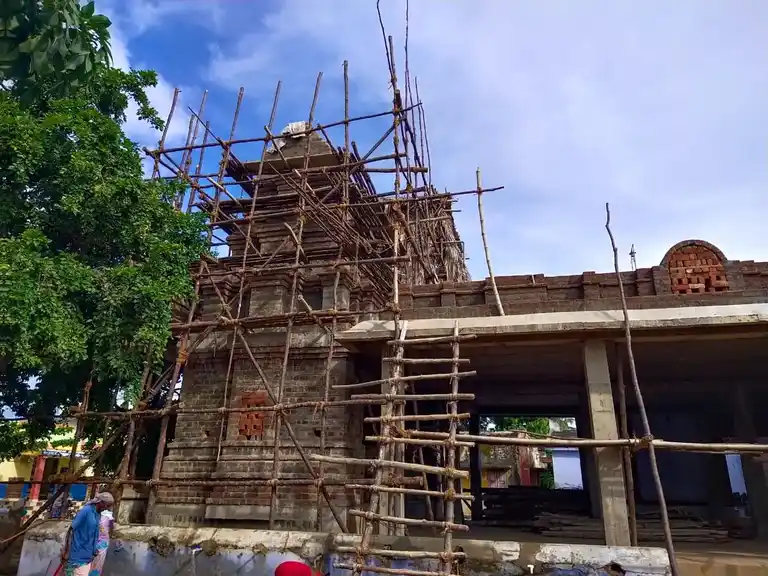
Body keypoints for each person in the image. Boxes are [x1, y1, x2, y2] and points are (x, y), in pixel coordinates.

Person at [60, 492, 114, 576]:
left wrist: (94, 549)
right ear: (100, 502)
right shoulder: (86, 510)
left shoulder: (97, 514)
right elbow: (71, 530)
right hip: (77, 555)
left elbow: (94, 533)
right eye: (106, 505)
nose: (106, 508)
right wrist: (66, 550)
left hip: (88, 556)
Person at [88, 506, 115, 576]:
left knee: (91, 562)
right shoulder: (109, 515)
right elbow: (112, 527)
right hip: (102, 542)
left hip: (93, 541)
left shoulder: (93, 514)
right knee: (99, 563)